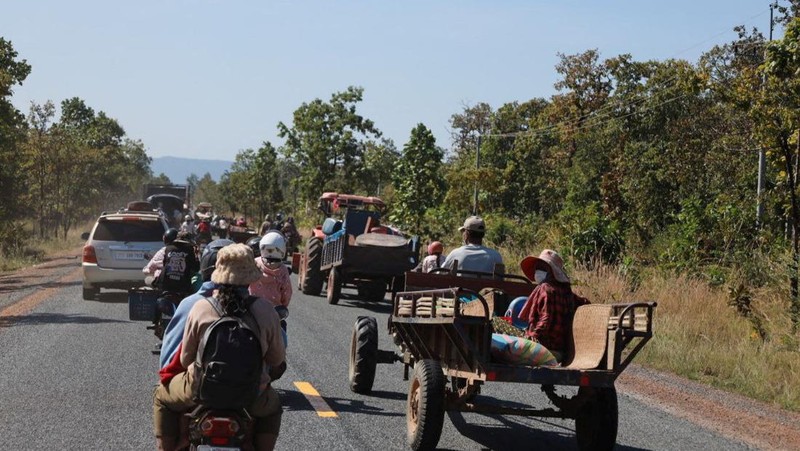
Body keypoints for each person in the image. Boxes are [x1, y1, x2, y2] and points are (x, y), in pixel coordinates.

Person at [153, 243, 286, 451]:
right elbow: (276, 360)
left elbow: (186, 359)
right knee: (274, 408)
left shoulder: (200, 307)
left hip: (200, 391)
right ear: (251, 276)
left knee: (162, 397)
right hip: (251, 395)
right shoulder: (265, 310)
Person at [159, 238, 234, 370]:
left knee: (162, 390)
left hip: (200, 383)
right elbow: (276, 361)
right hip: (248, 387)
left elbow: (170, 360)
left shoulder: (190, 304)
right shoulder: (259, 306)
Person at [518, 249, 590, 362]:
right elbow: (585, 303)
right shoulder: (566, 292)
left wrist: (532, 337)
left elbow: (546, 320)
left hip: (545, 348)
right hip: (560, 348)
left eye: (542, 269)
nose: (537, 272)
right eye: (537, 268)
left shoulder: (546, 289)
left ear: (551, 271)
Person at [249, 232, 292, 309]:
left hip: (252, 306)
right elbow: (287, 292)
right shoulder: (283, 270)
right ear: (282, 249)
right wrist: (283, 305)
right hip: (273, 309)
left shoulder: (254, 263)